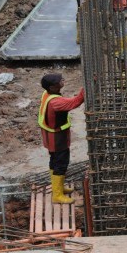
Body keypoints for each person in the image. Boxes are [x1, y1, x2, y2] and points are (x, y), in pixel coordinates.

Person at [38, 73, 84, 204]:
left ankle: (58, 187)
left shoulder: (46, 94)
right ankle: (57, 196)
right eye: (59, 81)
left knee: (54, 161)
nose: (63, 80)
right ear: (52, 87)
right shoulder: (56, 102)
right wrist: (86, 87)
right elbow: (75, 102)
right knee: (61, 163)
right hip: (57, 139)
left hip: (50, 136)